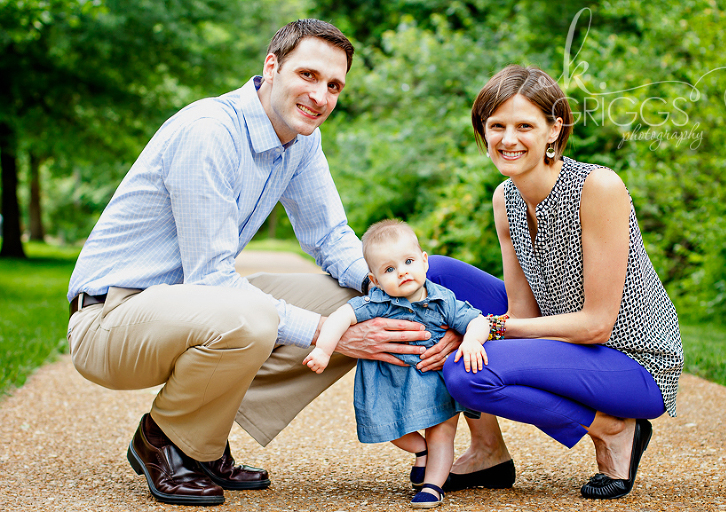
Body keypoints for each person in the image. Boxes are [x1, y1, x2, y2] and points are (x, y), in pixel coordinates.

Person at [65, 19, 446, 507]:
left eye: (334, 86)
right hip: (111, 319)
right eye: (308, 75)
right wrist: (331, 335)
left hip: (187, 307)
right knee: (255, 317)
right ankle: (165, 439)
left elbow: (330, 237)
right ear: (272, 66)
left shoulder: (301, 139)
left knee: (357, 301)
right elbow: (212, 279)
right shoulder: (209, 133)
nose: (320, 96)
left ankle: (203, 433)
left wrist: (392, 290)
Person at [430, 65, 685, 500]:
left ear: (554, 129)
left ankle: (614, 430)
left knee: (467, 372)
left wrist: (483, 328)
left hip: (633, 364)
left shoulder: (597, 187)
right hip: (564, 339)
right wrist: (468, 324)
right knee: (433, 276)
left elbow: (596, 326)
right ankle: (488, 451)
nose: (508, 139)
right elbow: (522, 312)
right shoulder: (505, 197)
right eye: (497, 126)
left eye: (524, 126)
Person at [304, 220, 490, 508]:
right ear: (375, 280)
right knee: (387, 426)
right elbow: (341, 317)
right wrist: (323, 350)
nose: (402, 271)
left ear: (424, 261)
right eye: (389, 269)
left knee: (442, 433)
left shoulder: (443, 300)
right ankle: (422, 451)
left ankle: (433, 486)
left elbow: (477, 320)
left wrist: (472, 341)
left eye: (409, 261)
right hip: (391, 385)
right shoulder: (377, 302)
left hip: (436, 381)